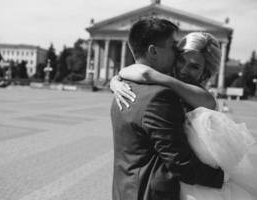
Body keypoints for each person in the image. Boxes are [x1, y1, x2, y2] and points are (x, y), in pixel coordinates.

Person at [110, 31, 257, 199]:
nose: (183, 69)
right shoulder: (161, 88)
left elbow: (146, 74)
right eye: (181, 59)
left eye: (194, 66)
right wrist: (116, 81)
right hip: (167, 182)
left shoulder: (203, 98)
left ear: (205, 73)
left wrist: (119, 78)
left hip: (192, 183)